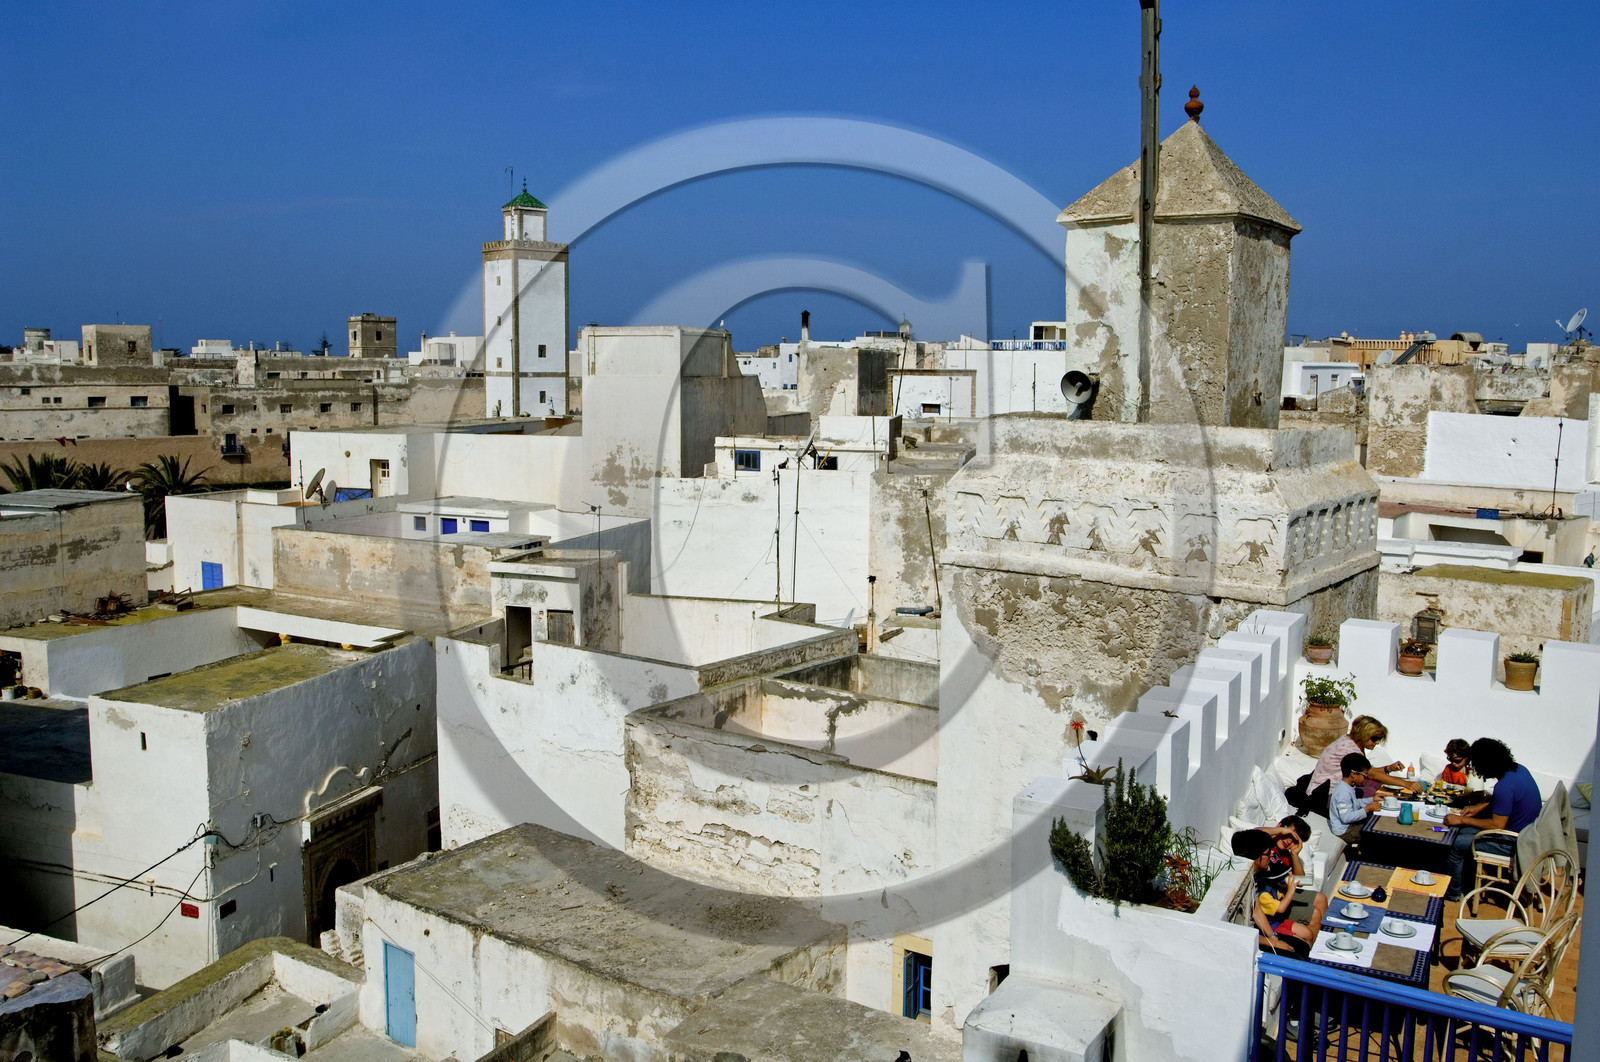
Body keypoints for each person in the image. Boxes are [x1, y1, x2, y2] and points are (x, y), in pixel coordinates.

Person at [1442, 738, 1543, 901]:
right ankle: (1469, 878)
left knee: (1457, 844)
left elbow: (1497, 824)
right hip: (1529, 835)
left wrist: (1461, 820)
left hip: (1513, 843)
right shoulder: (1518, 771)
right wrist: (1478, 807)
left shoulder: (1504, 786)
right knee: (1465, 831)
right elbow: (1504, 800)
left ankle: (1453, 892)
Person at [1299, 716, 1421, 816]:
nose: (1377, 742)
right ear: (1363, 734)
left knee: (1379, 786)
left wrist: (1388, 769)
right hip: (1326, 795)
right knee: (1372, 791)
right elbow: (1370, 773)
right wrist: (1406, 784)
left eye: (1379, 739)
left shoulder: (1351, 742)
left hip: (1340, 785)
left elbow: (1366, 771)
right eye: (1374, 739)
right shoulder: (1349, 748)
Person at [1328, 753, 1382, 851]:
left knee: (1373, 819)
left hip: (1349, 825)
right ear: (1353, 774)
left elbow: (1355, 803)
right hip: (1344, 832)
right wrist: (1367, 809)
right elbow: (1346, 817)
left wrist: (1372, 799)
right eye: (1364, 775)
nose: (1365, 779)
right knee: (1374, 830)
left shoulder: (1346, 786)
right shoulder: (1343, 792)